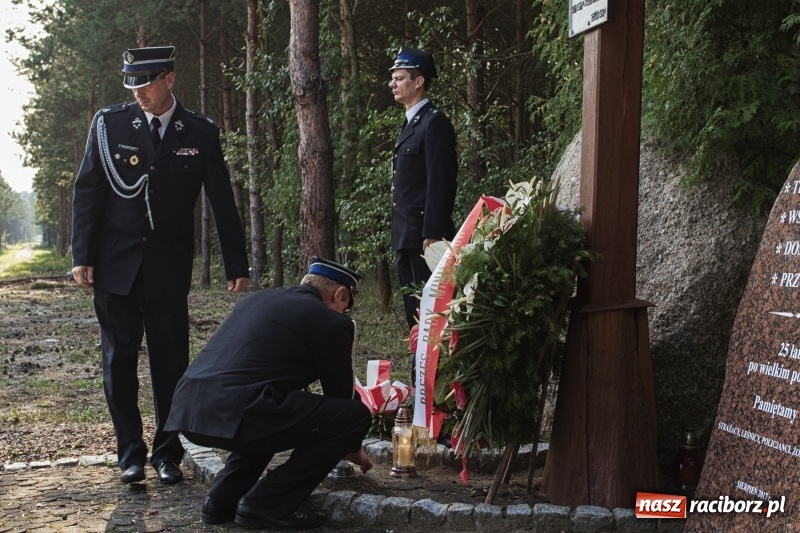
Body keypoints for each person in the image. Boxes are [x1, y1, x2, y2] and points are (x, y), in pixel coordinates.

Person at [70, 46, 250, 485]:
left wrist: (235, 263)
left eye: (146, 83)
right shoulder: (109, 124)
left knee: (171, 365)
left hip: (167, 267)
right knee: (119, 361)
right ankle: (129, 454)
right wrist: (82, 255)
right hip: (114, 267)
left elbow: (222, 201)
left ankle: (166, 453)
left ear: (170, 79)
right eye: (131, 84)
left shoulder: (200, 132)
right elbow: (88, 190)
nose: (138, 93)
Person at [165, 257, 373, 530]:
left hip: (189, 406)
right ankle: (266, 504)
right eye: (345, 306)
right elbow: (341, 399)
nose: (343, 312)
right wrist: (353, 448)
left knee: (271, 414)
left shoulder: (258, 300)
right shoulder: (329, 321)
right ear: (340, 294)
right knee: (355, 416)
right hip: (241, 408)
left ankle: (220, 501)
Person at [388, 46, 458, 329]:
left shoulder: (434, 122)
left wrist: (432, 231)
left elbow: (441, 180)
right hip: (406, 235)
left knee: (430, 314)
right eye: (393, 78)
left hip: (424, 237)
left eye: (400, 78)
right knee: (414, 315)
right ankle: (419, 372)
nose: (393, 83)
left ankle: (433, 373)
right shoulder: (411, 124)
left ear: (419, 81)